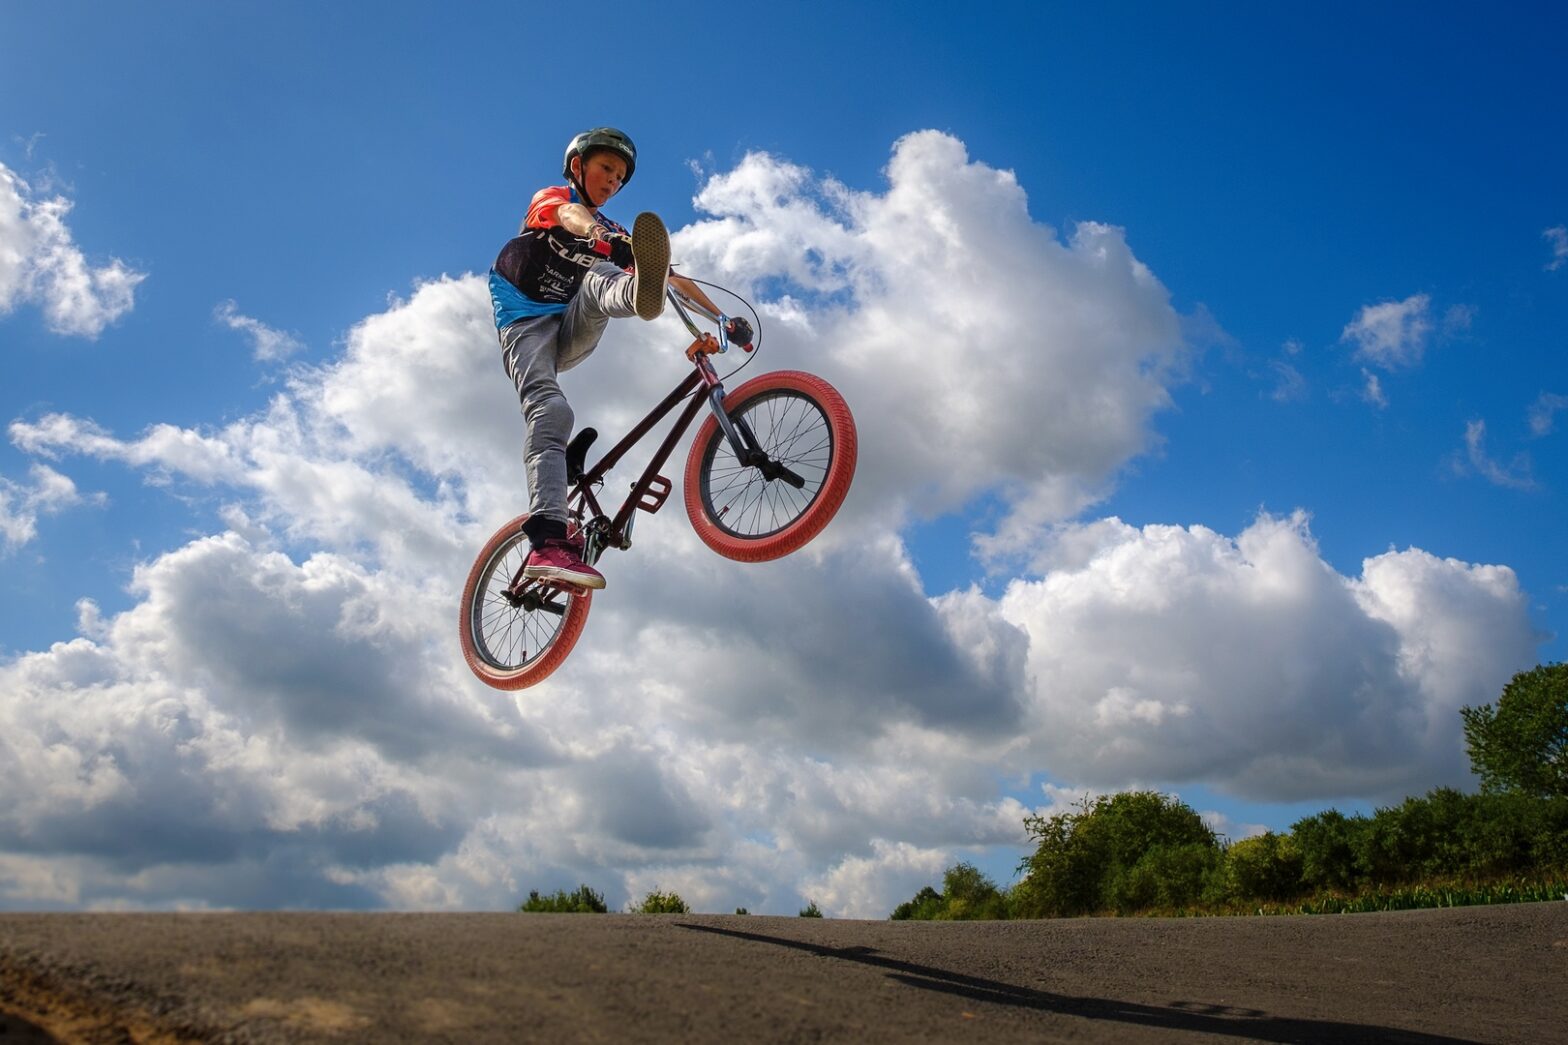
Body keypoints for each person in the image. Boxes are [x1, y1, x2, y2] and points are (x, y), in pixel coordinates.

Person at [488, 127, 741, 590]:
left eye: (621, 178)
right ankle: (547, 541)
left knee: (605, 274)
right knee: (552, 410)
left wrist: (723, 318)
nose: (612, 183)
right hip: (525, 327)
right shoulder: (554, 198)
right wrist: (607, 239)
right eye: (607, 169)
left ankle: (636, 294)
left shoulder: (617, 234)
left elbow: (673, 278)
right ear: (578, 167)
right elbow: (570, 216)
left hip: (571, 327)